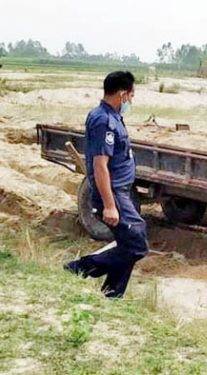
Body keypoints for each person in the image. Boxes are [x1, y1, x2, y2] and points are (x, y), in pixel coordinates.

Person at [64, 71, 148, 298]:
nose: (131, 101)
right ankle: (78, 268)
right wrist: (109, 205)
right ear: (122, 94)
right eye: (131, 96)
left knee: (128, 244)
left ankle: (112, 295)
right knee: (137, 245)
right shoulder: (104, 120)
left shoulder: (111, 116)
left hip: (120, 192)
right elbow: (100, 165)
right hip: (113, 194)